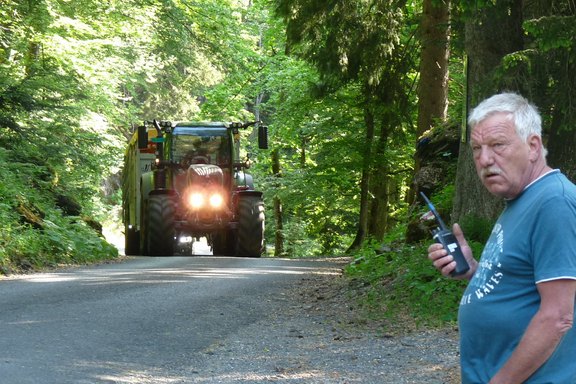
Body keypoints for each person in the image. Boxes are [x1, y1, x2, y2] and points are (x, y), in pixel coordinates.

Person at [427, 92, 576, 383]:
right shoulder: (521, 200)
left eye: (497, 145)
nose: (484, 159)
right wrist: (473, 270)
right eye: (476, 148)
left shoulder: (554, 202)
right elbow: (519, 285)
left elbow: (558, 316)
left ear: (533, 146)